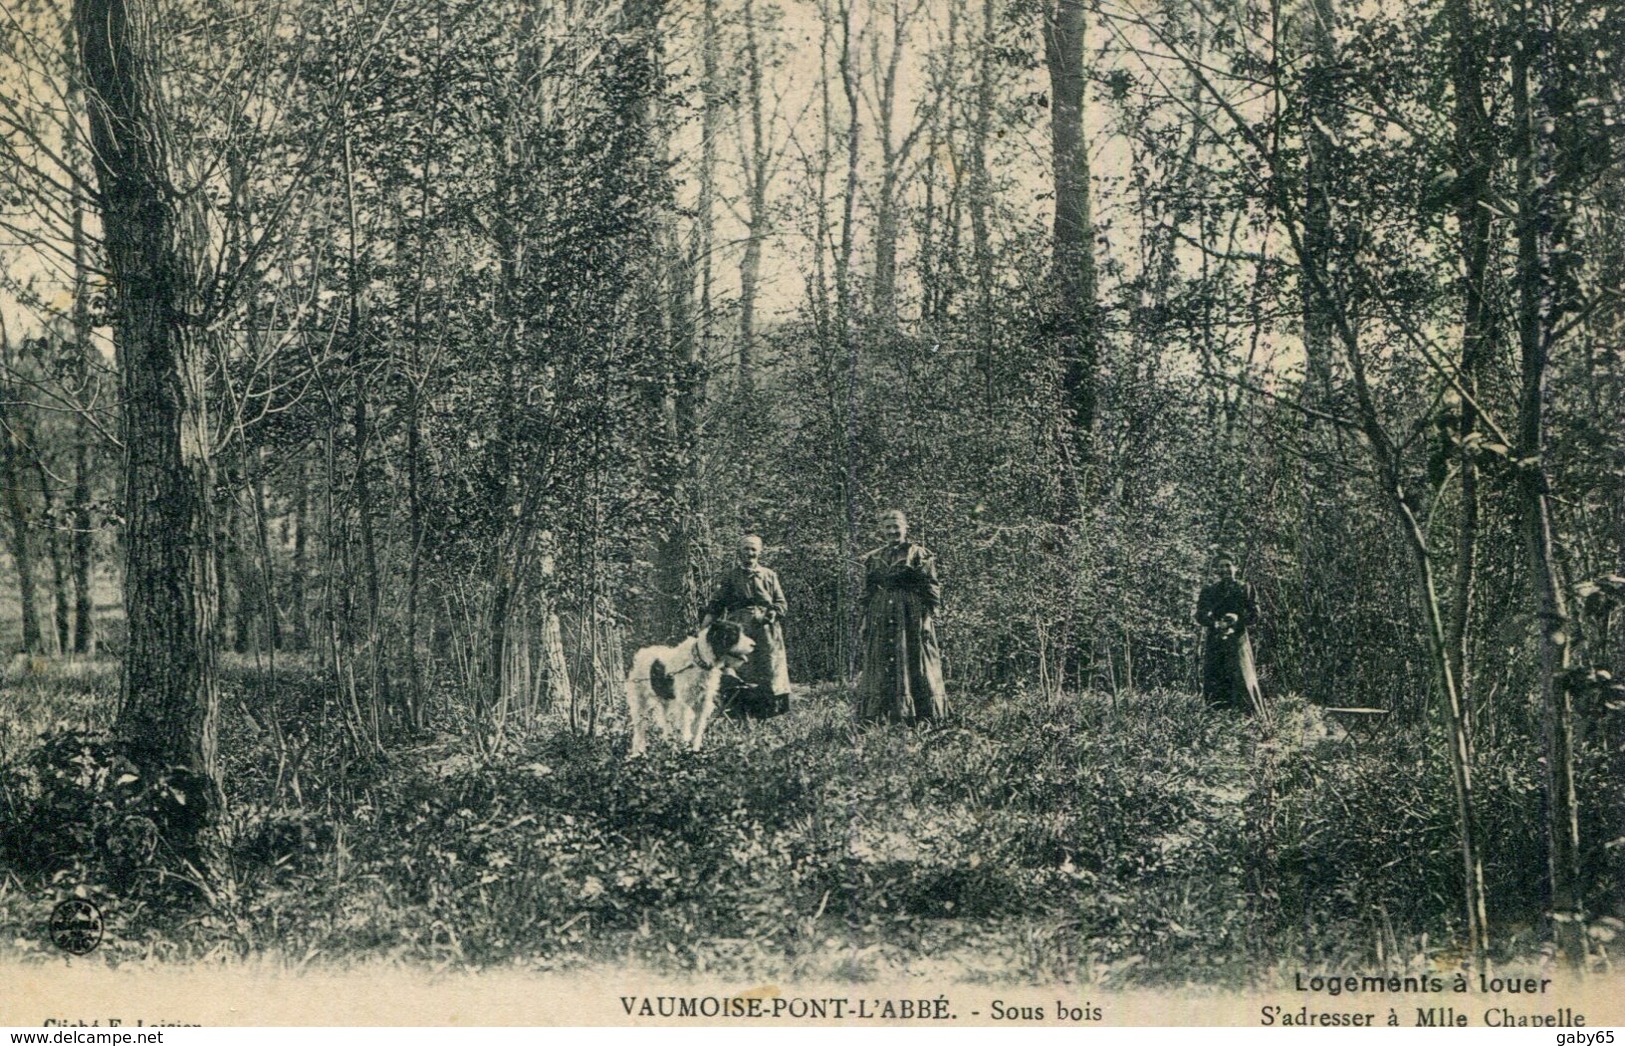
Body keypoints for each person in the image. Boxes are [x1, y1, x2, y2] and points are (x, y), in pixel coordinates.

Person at [856, 509, 947, 723]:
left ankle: (920, 716)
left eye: (896, 527)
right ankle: (881, 715)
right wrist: (865, 620)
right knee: (881, 660)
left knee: (914, 659)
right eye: (888, 528)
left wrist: (927, 620)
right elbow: (868, 592)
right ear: (882, 531)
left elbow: (931, 588)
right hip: (880, 614)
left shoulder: (918, 554)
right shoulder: (874, 557)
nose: (892, 531)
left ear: (905, 528)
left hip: (910, 615)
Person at [702, 534, 792, 716]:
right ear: (739, 552)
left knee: (769, 666)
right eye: (746, 549)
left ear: (759, 552)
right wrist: (703, 630)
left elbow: (781, 603)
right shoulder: (731, 576)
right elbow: (716, 605)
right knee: (742, 667)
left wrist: (774, 611)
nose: (750, 553)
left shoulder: (769, 575)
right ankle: (743, 712)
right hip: (741, 628)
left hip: (766, 629)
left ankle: (768, 712)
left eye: (753, 549)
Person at [1195, 551, 1268, 718]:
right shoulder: (1209, 590)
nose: (1225, 570)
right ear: (1216, 571)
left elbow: (1254, 615)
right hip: (1215, 641)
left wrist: (1237, 619)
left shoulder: (1245, 588)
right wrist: (1214, 622)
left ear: (1235, 567)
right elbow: (1200, 614)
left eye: (1228, 565)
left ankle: (1248, 720)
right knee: (1216, 677)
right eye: (1220, 567)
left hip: (1238, 640)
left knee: (1242, 677)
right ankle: (1217, 720)